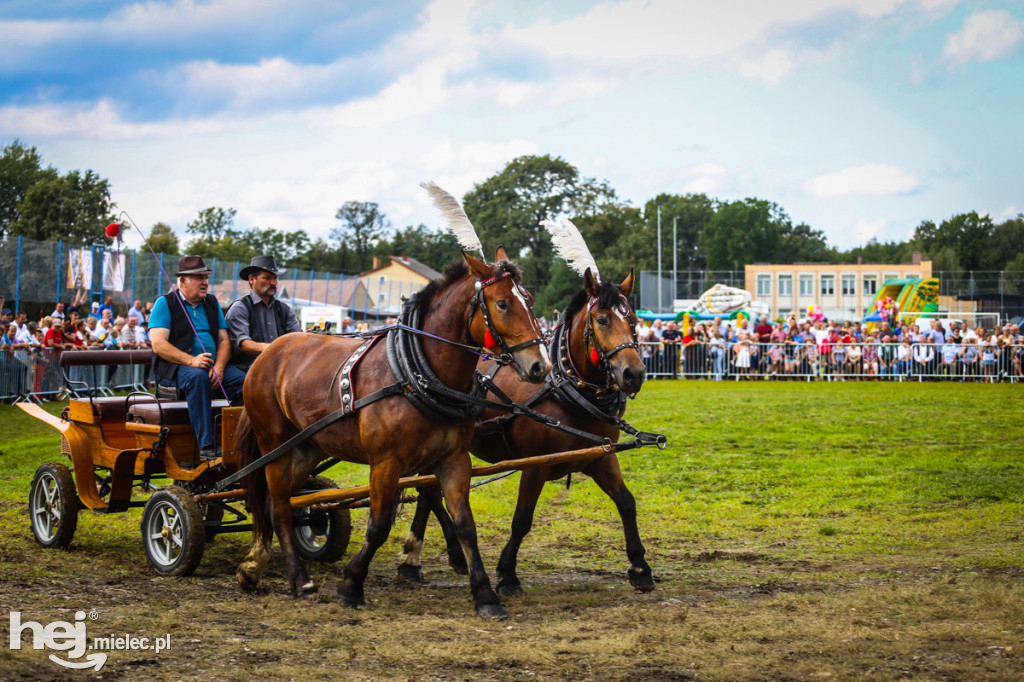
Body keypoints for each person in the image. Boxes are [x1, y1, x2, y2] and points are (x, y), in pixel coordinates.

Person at [149, 256, 245, 461]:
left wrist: (219, 367)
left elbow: (224, 340)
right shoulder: (165, 303)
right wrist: (191, 361)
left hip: (211, 366)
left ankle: (240, 441)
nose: (205, 282)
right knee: (198, 378)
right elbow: (158, 344)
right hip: (176, 370)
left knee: (246, 383)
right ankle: (207, 446)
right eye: (199, 277)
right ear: (183, 282)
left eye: (206, 277)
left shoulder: (211, 302)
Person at [225, 255, 301, 374]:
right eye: (267, 278)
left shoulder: (284, 309)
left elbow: (296, 338)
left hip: (281, 365)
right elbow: (244, 344)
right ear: (251, 279)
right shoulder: (240, 308)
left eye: (275, 278)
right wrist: (271, 348)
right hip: (247, 367)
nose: (273, 282)